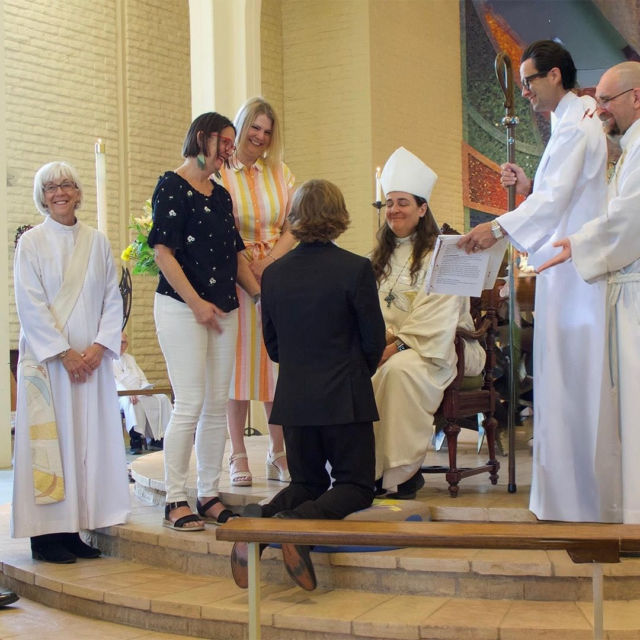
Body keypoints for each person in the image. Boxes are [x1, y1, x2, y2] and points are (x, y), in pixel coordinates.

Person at [457, 41, 619, 523]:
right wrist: (529, 188)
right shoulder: (573, 122)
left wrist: (497, 227)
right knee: (561, 385)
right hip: (566, 273)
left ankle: (577, 503)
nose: (524, 91)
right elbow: (560, 195)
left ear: (554, 76)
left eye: (529, 80)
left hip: (575, 278)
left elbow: (554, 203)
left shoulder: (576, 126)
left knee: (572, 386)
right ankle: (567, 499)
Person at [230, 179, 386, 591]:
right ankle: (296, 527)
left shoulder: (274, 275)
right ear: (339, 216)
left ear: (295, 218)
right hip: (344, 397)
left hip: (295, 400)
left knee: (307, 483)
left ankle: (259, 521)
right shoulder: (355, 269)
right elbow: (373, 341)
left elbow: (274, 346)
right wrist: (355, 374)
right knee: (355, 486)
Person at [538, 61, 640, 524]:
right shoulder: (629, 150)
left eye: (607, 100)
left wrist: (578, 244)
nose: (600, 110)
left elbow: (628, 221)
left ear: (635, 97)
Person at [12, 161, 130, 563]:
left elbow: (112, 298)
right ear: (42, 197)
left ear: (78, 193)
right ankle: (45, 537)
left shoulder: (96, 242)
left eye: (66, 185)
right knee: (51, 445)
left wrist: (98, 348)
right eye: (50, 187)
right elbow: (29, 302)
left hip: (90, 366)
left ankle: (75, 527)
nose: (59, 192)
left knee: (83, 443)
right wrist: (65, 353)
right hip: (50, 365)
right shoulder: (31, 243)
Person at [148, 112, 259, 531]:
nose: (230, 150)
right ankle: (175, 498)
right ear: (201, 138)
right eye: (225, 141)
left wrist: (262, 297)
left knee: (216, 403)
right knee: (190, 402)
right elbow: (163, 252)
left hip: (223, 309)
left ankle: (208, 492)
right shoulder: (172, 186)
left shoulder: (221, 195)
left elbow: (236, 256)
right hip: (181, 308)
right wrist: (196, 304)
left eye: (232, 143)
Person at [372, 147, 486, 499]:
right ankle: (365, 470)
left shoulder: (445, 254)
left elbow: (439, 316)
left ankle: (400, 473)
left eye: (403, 203)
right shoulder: (378, 256)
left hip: (438, 348)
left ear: (422, 209)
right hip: (386, 347)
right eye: (389, 203)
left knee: (396, 372)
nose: (394, 210)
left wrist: (393, 347)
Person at [217, 97, 295, 486]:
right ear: (241, 126)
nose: (261, 136)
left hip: (277, 273)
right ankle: (238, 454)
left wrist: (271, 262)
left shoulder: (280, 172)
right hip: (234, 275)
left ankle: (278, 452)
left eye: (267, 131)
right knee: (238, 368)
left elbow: (294, 224)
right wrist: (249, 269)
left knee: (275, 366)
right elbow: (220, 229)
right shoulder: (221, 173)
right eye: (255, 127)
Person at [113, 331, 171, 453]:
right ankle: (136, 439)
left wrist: (147, 389)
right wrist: (128, 393)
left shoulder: (130, 359)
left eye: (124, 343)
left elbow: (141, 378)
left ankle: (158, 437)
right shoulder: (107, 359)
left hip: (138, 393)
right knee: (132, 402)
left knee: (162, 398)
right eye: (120, 342)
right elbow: (113, 381)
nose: (122, 345)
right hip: (120, 395)